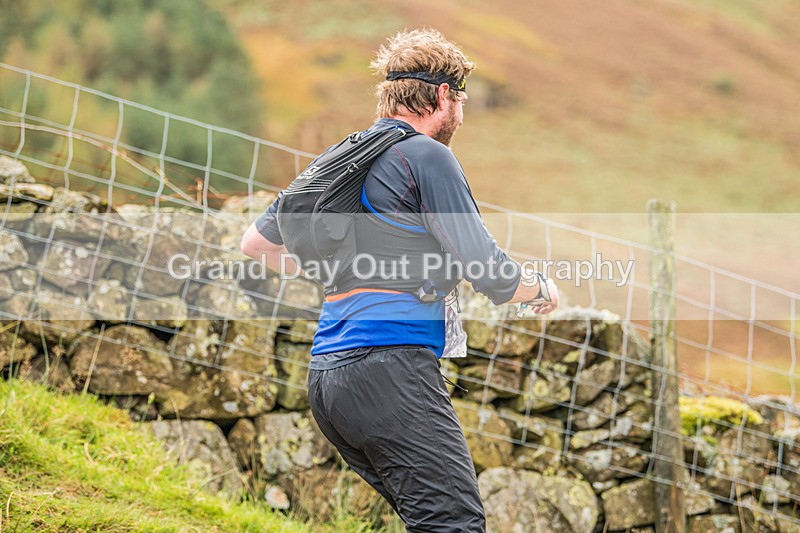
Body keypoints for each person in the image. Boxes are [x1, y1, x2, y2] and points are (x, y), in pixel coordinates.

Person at [241, 28, 559, 533]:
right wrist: (539, 289)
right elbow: (484, 266)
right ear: (441, 97)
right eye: (461, 99)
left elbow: (255, 245)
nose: (461, 113)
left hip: (329, 378)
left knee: (428, 518)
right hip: (391, 367)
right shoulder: (427, 156)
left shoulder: (340, 159)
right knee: (453, 522)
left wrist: (341, 273)